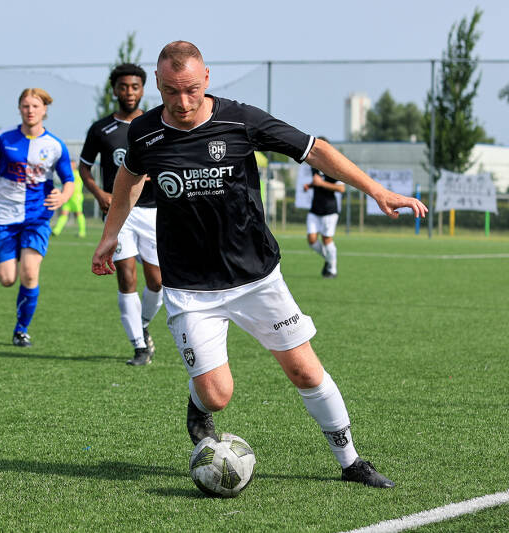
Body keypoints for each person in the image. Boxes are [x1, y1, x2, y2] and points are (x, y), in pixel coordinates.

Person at [92, 41, 428, 488]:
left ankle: (351, 462)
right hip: (190, 286)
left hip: (257, 278)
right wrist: (110, 234)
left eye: (191, 89)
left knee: (304, 370)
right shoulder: (145, 132)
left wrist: (377, 191)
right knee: (217, 395)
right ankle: (199, 404)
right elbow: (130, 178)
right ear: (158, 83)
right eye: (171, 91)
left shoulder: (240, 120)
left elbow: (315, 150)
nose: (183, 101)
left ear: (207, 78)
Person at [0, 88, 74, 347]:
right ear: (19, 108)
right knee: (7, 278)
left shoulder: (55, 145)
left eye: (35, 106)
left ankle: (21, 329)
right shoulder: (3, 137)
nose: (30, 110)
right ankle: (15, 255)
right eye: (25, 106)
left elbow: (69, 180)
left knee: (29, 273)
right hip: (4, 216)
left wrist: (64, 196)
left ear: (44, 110)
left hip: (37, 216)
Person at [80, 63, 163, 366]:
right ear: (114, 90)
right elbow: (84, 167)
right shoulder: (100, 129)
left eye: (135, 87)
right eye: (123, 87)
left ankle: (142, 323)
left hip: (153, 211)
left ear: (143, 90)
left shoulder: (157, 123)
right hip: (119, 213)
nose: (129, 92)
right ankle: (139, 347)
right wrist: (99, 193)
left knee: (157, 282)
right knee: (127, 276)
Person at [303, 137, 345, 278]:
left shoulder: (334, 165)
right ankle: (329, 259)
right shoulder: (313, 164)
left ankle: (332, 269)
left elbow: (341, 189)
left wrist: (321, 184)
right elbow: (317, 181)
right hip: (315, 208)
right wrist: (310, 185)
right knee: (311, 240)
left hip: (329, 210)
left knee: (327, 239)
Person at [51, 161, 86, 238]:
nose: (70, 166)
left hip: (76, 197)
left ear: (75, 166)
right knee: (64, 213)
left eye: (72, 165)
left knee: (78, 213)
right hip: (67, 197)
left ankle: (82, 232)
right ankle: (56, 231)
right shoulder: (69, 173)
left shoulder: (77, 174)